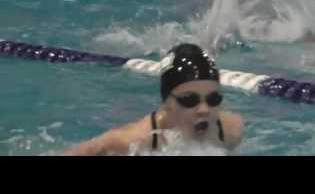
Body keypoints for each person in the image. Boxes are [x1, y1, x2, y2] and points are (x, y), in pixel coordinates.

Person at [63, 43, 244, 156]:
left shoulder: (231, 131)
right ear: (167, 102)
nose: (204, 109)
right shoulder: (134, 140)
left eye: (213, 99)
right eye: (189, 100)